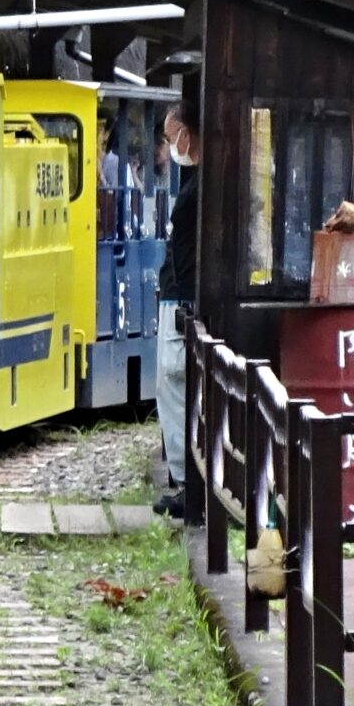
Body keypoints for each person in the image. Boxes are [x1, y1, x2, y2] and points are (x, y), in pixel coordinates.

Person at [156, 100, 199, 514]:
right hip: (176, 293)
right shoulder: (194, 181)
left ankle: (188, 482)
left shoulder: (198, 185)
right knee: (172, 390)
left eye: (173, 137)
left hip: (182, 297)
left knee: (172, 386)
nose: (172, 146)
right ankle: (185, 479)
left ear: (187, 133)